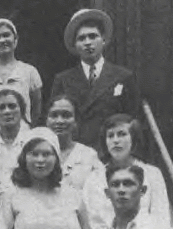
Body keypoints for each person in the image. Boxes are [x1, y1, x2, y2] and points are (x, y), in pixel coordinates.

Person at [50, 9, 140, 148]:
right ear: (75, 45)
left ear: (103, 40)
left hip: (112, 151)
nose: (87, 42)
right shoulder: (63, 80)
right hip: (77, 154)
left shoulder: (123, 76)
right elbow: (55, 121)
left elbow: (133, 122)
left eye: (93, 36)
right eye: (81, 38)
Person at [83, 113, 170, 229]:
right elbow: (90, 220)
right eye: (110, 136)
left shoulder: (152, 174)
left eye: (122, 134)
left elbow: (161, 218)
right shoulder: (94, 178)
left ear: (133, 138)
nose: (116, 141)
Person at [44, 94, 105, 191]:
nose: (59, 121)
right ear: (46, 120)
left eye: (66, 115)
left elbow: (99, 191)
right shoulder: (35, 153)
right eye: (54, 115)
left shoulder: (88, 155)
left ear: (76, 121)